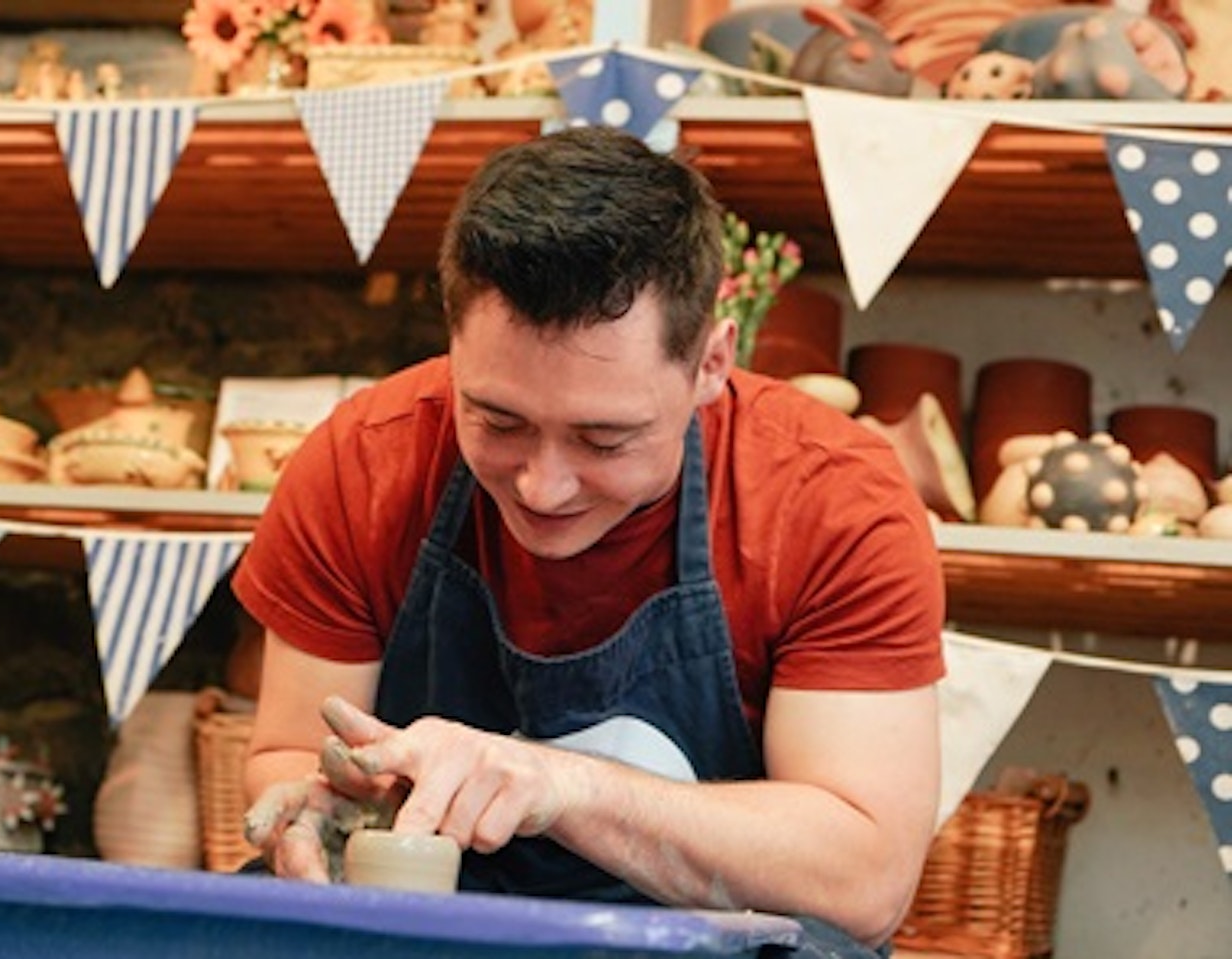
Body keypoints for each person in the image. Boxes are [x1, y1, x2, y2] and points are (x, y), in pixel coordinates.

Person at [231, 125, 944, 956]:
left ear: (712, 361)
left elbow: (864, 880)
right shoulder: (365, 460)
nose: (544, 484)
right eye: (498, 421)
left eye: (604, 440)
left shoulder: (831, 499)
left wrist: (559, 785)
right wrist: (316, 803)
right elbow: (283, 753)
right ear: (454, 344)